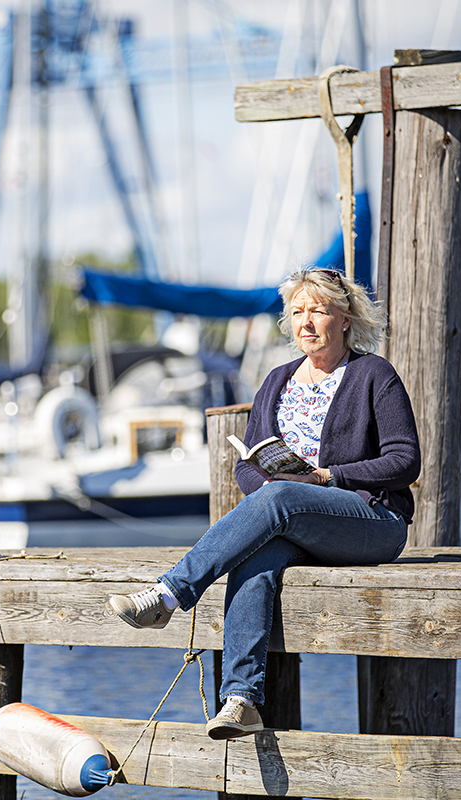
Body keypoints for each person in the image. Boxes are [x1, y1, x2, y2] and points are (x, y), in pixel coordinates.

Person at [107, 266, 420, 740]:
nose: (306, 322)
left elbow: (405, 460)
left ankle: (169, 594)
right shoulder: (277, 380)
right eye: (297, 312)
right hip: (296, 518)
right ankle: (241, 701)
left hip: (371, 519)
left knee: (280, 497)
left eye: (318, 311)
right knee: (254, 561)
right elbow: (247, 466)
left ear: (346, 319)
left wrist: (328, 476)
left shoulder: (373, 374)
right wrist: (279, 490)